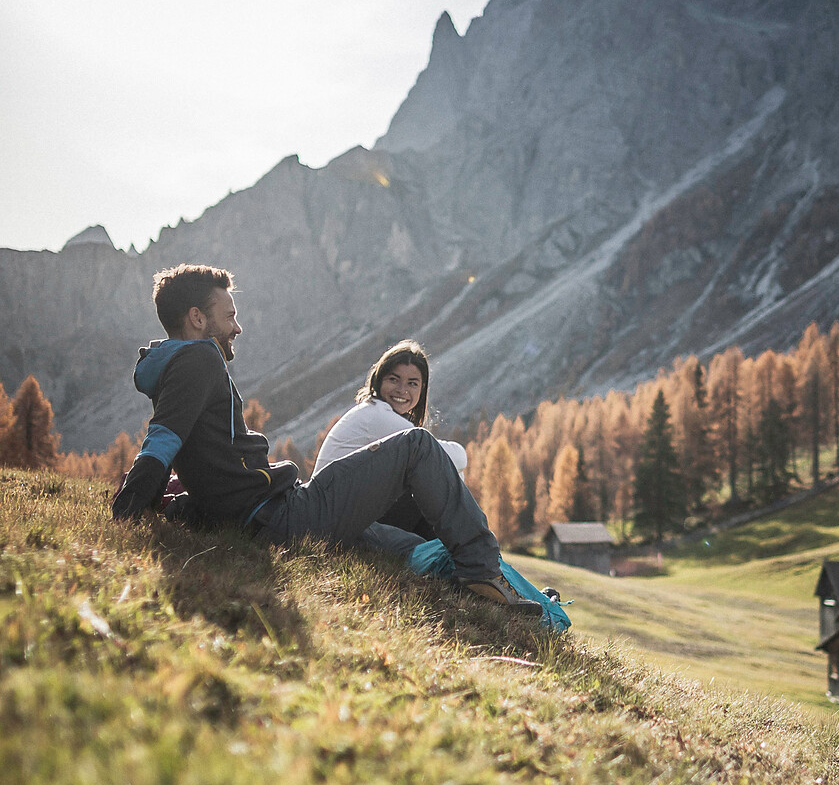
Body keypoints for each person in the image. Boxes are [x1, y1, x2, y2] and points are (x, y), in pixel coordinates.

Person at [111, 264, 541, 615]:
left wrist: (167, 500)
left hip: (272, 514)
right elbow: (163, 439)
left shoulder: (176, 368)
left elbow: (177, 442)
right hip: (283, 516)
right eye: (229, 316)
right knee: (418, 447)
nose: (237, 327)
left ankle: (521, 597)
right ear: (197, 318)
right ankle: (483, 573)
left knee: (408, 546)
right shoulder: (199, 359)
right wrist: (129, 508)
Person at [312, 340, 465, 539]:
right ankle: (463, 547)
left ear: (422, 388)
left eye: (412, 383)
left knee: (436, 480)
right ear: (379, 379)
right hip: (333, 518)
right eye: (394, 379)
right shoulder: (377, 416)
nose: (402, 390)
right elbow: (458, 456)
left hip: (338, 511)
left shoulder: (376, 412)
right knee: (439, 480)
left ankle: (446, 547)